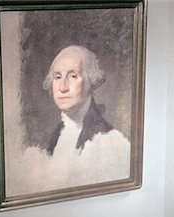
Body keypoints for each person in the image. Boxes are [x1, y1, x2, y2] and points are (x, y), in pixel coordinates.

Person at [40, 45, 130, 185]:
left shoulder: (109, 140)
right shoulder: (55, 136)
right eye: (57, 77)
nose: (62, 87)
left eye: (73, 76)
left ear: (90, 81)